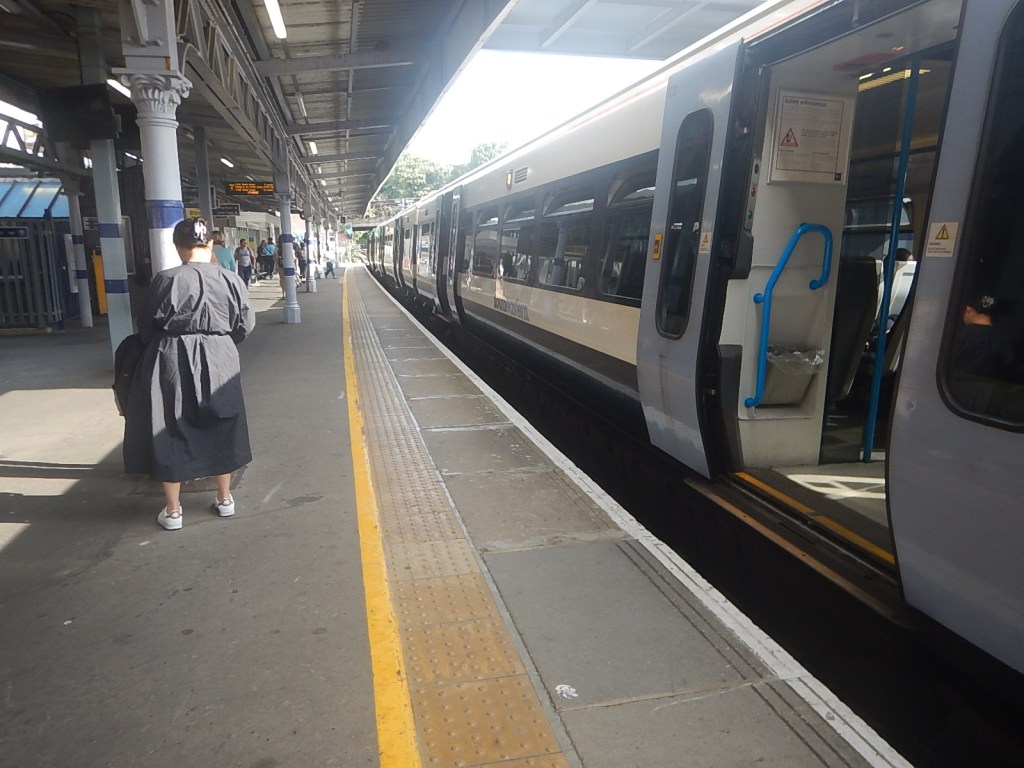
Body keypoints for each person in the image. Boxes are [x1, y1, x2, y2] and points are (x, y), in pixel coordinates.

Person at [122, 217, 255, 531]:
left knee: (169, 424)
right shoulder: (231, 280)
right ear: (210, 244)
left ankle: (173, 510)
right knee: (223, 421)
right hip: (220, 354)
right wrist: (217, 342)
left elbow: (145, 326)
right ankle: (225, 498)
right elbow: (245, 326)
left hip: (171, 355)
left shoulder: (165, 279)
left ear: (178, 247)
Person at [952, 293, 1014, 379]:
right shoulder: (1003, 339)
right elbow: (1009, 368)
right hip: (992, 386)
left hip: (959, 384)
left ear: (968, 309)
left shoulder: (957, 335)